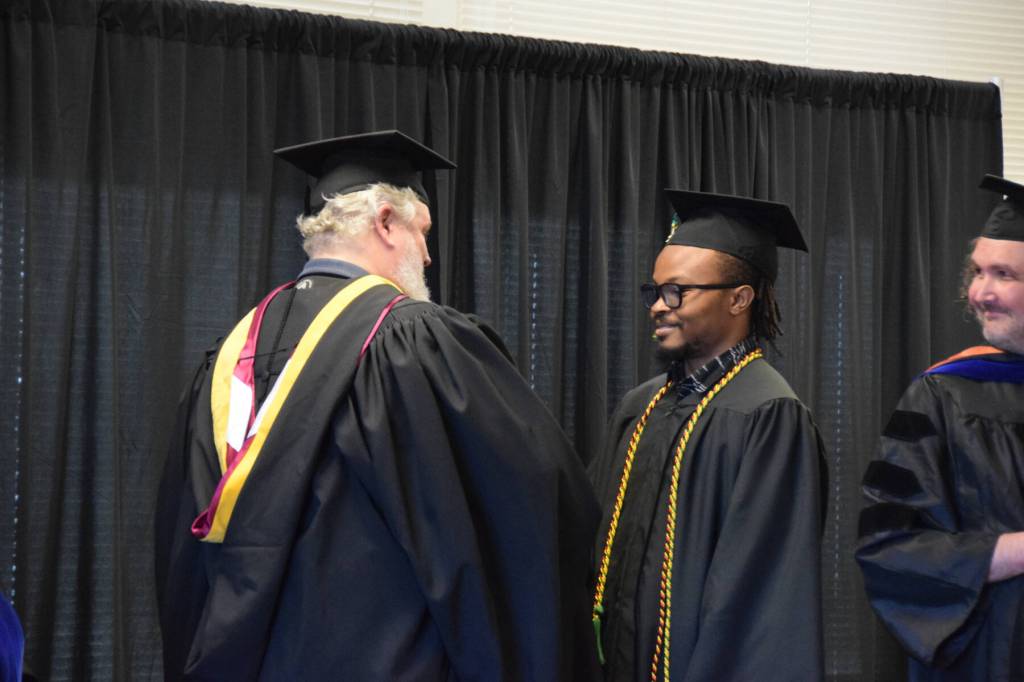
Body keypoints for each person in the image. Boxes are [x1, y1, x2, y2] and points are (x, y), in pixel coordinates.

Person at [154, 130, 601, 681]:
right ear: (387, 221)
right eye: (423, 232)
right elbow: (527, 505)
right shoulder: (414, 341)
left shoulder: (231, 354)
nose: (429, 255)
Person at [588, 190, 828, 681]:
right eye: (653, 291)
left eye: (676, 291)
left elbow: (762, 603)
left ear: (739, 298)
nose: (657, 306)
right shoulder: (642, 407)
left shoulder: (769, 416)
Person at [856, 174, 1024, 681]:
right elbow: (889, 549)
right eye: (977, 272)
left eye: (1004, 275)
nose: (979, 292)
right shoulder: (943, 396)